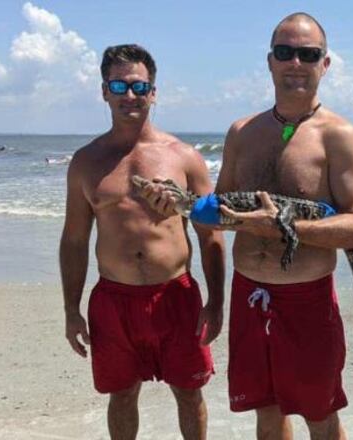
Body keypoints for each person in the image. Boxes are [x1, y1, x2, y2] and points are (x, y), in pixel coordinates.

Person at [150, 12, 353, 440]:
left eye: (308, 54)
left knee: (320, 417)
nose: (295, 63)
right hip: (248, 293)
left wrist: (285, 229)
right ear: (269, 61)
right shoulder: (241, 132)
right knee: (266, 413)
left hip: (308, 300)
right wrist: (175, 207)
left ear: (324, 64)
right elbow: (219, 212)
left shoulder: (340, 136)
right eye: (285, 52)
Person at [59, 44, 225, 440]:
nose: (128, 95)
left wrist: (217, 302)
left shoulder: (184, 157)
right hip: (114, 299)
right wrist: (70, 309)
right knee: (121, 394)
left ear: (153, 91)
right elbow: (74, 239)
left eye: (138, 86)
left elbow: (211, 235)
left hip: (176, 296)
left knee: (189, 393)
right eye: (118, 85)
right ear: (104, 92)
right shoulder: (86, 161)